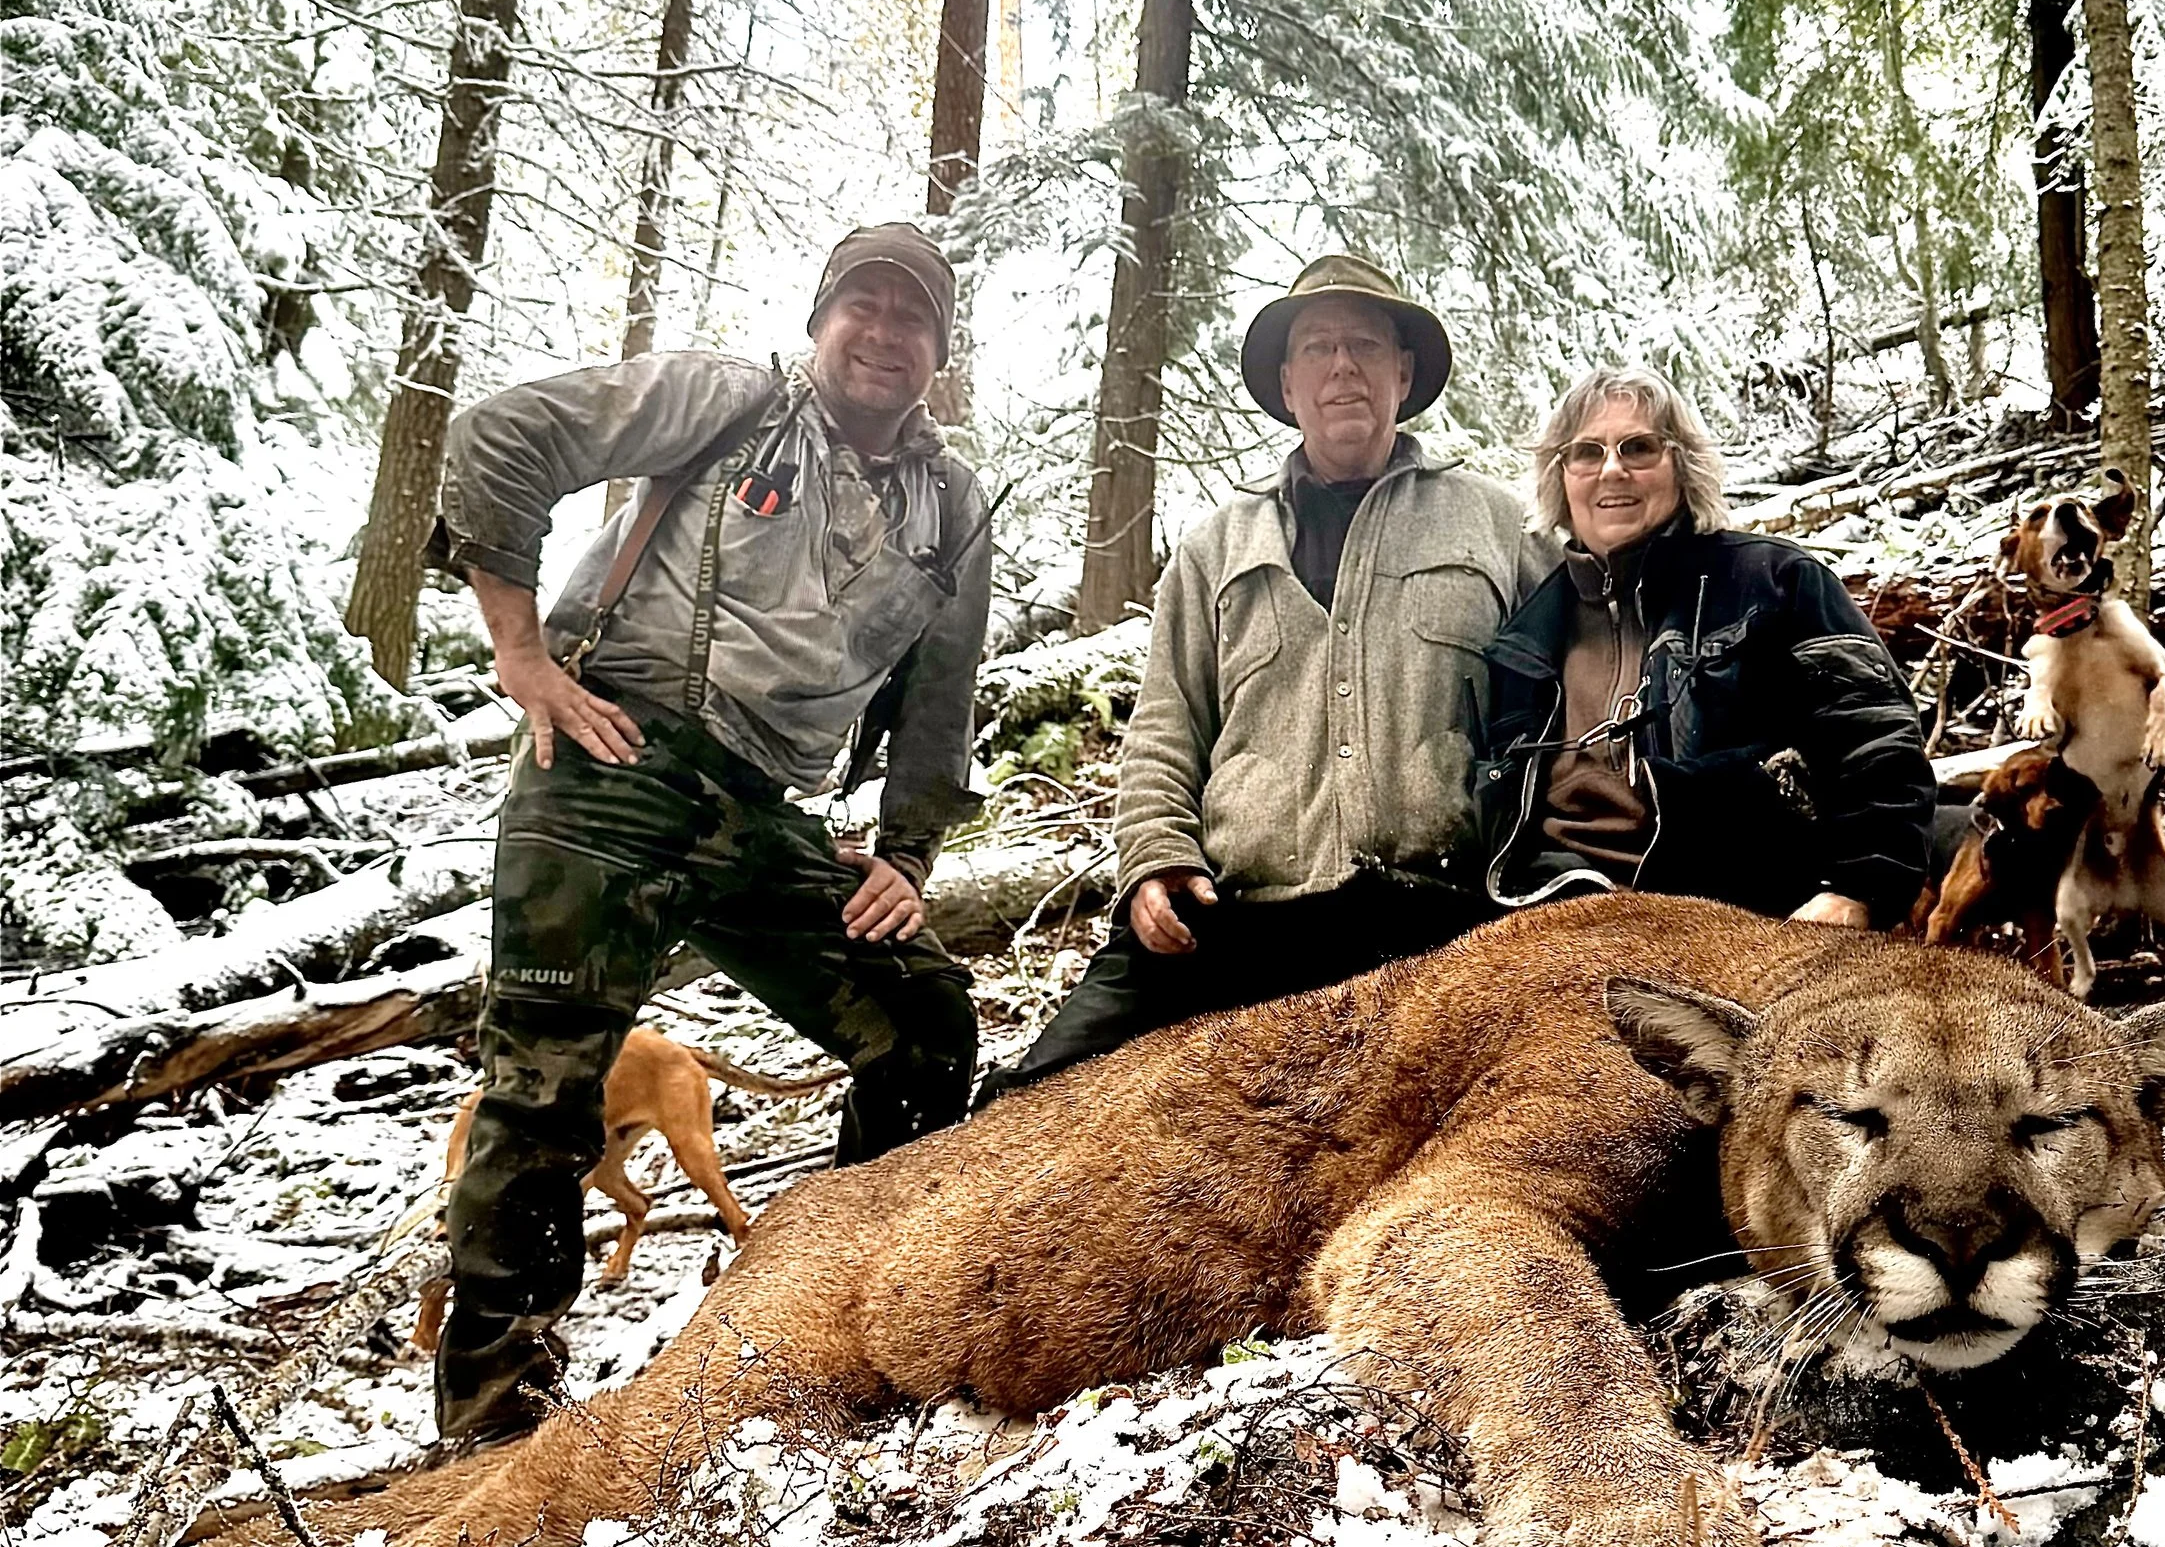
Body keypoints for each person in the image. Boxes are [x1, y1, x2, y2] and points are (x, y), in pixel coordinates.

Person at [426, 220, 991, 1447]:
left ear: (940, 350)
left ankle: (847, 1315)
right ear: (820, 319)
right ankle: (492, 1421)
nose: (884, 335)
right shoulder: (726, 402)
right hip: (612, 771)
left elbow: (938, 698)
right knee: (543, 1094)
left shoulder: (949, 506)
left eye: (913, 318)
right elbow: (498, 437)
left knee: (925, 1027)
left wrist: (905, 854)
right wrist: (523, 657)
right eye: (864, 307)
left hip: (761, 817)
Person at [996, 252, 1546, 1085]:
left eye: (1363, 344)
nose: (1341, 367)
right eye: (1317, 347)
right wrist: (1153, 854)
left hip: (1435, 914)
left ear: (1403, 370)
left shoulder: (1497, 525)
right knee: (1028, 1095)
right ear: (1287, 384)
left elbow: (1568, 702)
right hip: (1239, 917)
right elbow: (1164, 725)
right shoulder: (1216, 544)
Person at [1474, 367, 1932, 926]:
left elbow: (1879, 739)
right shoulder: (1525, 638)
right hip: (1557, 914)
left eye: (1638, 448)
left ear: (1682, 464)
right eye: (1586, 453)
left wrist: (1860, 888)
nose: (1612, 469)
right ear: (1561, 476)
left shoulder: (1777, 582)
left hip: (1744, 915)